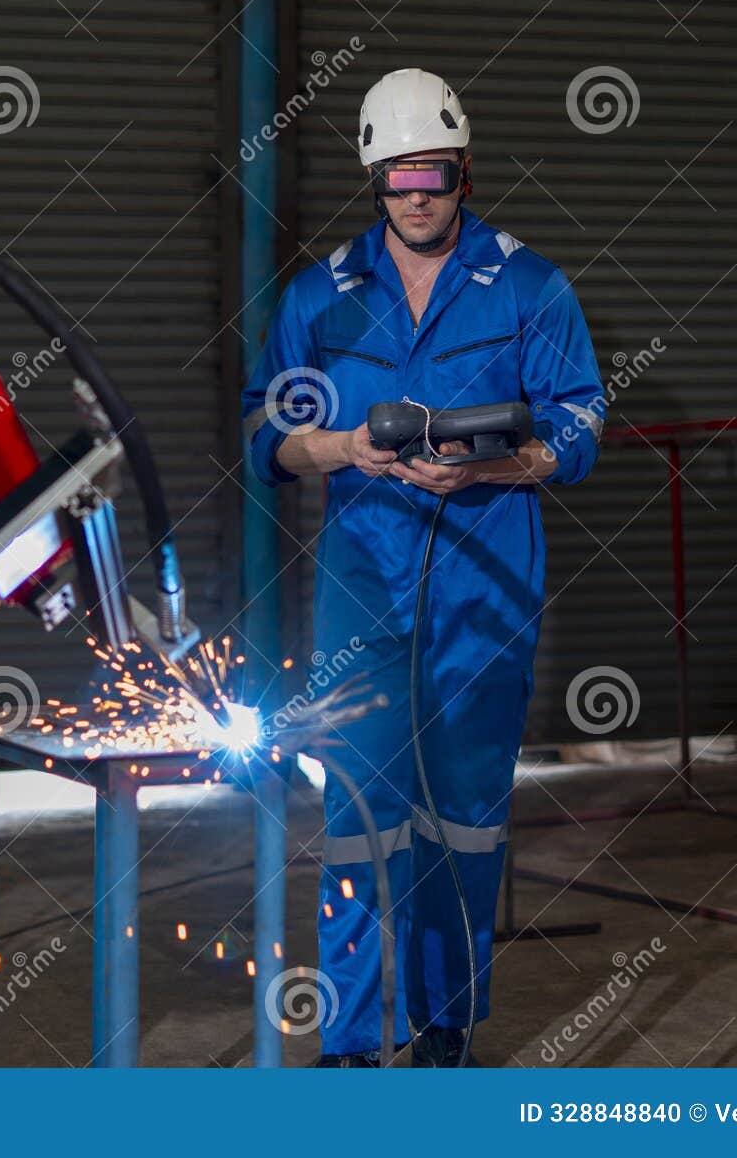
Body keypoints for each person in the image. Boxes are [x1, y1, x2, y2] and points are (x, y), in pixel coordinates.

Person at [241, 68, 605, 1066]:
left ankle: (445, 1027)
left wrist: (515, 459)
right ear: (373, 178)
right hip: (365, 580)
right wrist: (346, 446)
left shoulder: (531, 285)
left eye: (433, 174)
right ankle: (352, 1038)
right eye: (397, 176)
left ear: (463, 171)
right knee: (356, 806)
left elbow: (580, 415)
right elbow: (262, 432)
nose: (416, 194)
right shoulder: (320, 296)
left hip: (486, 585)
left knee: (465, 814)